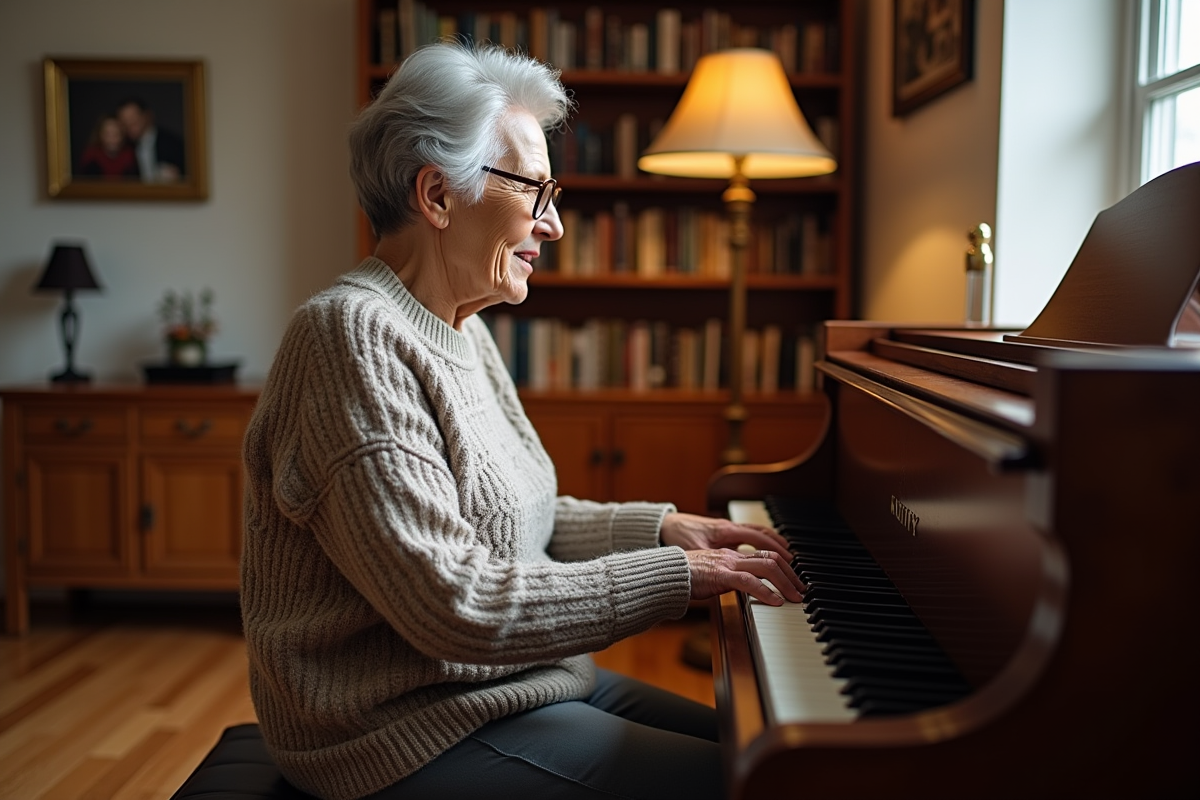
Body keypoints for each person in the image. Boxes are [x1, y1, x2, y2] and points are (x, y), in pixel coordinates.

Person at [240, 40, 805, 800]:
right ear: (437, 195)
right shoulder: (349, 339)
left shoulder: (462, 328)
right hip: (403, 730)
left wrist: (666, 530)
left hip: (518, 687)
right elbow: (454, 604)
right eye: (534, 192)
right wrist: (681, 578)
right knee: (759, 786)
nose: (555, 226)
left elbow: (514, 522)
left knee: (786, 756)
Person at [115, 97, 185, 182]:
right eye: (124, 121)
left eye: (132, 118)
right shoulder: (122, 148)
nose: (129, 124)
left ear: (147, 115)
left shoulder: (172, 143)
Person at [76, 114, 139, 179]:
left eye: (116, 134)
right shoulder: (91, 156)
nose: (112, 139)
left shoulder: (129, 156)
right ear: (100, 135)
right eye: (107, 134)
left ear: (122, 135)